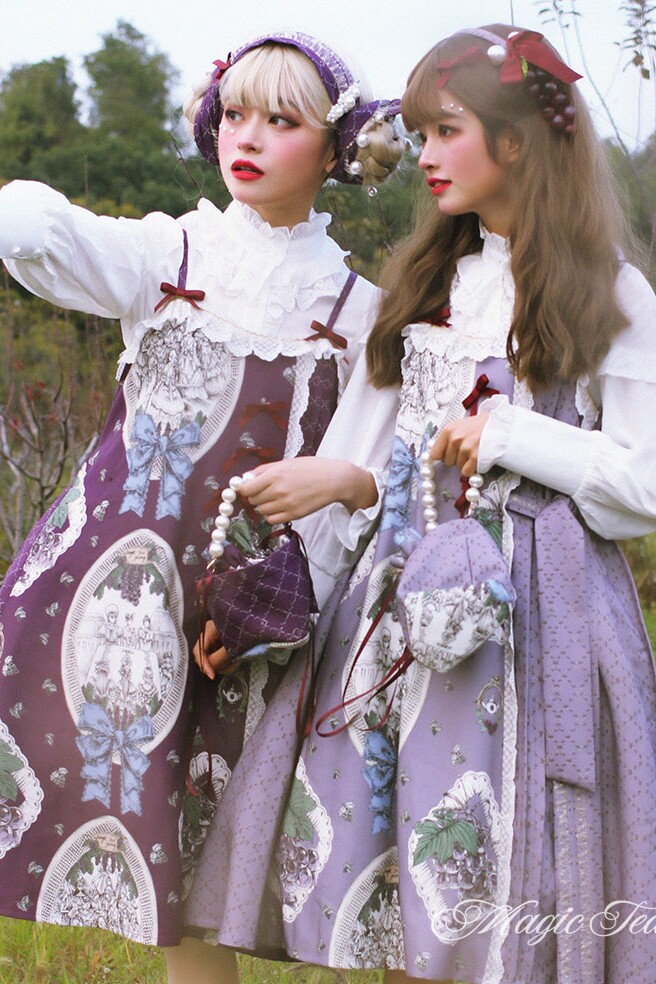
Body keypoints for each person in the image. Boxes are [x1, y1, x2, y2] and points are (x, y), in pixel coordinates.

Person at [212, 23, 656, 984]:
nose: (423, 155)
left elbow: (643, 485)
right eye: (419, 134)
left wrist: (513, 436)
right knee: (405, 895)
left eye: (446, 131)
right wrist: (282, 603)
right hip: (394, 621)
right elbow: (364, 460)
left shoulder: (610, 294)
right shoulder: (424, 286)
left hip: (537, 623)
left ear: (518, 140)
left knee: (504, 891)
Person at [0, 30, 402, 984]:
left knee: (201, 849)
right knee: (141, 830)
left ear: (339, 149)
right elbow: (28, 230)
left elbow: (358, 478)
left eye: (283, 120)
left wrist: (274, 608)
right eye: (233, 113)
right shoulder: (167, 251)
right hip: (119, 594)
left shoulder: (359, 311)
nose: (247, 137)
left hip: (244, 609)